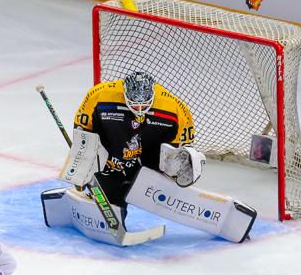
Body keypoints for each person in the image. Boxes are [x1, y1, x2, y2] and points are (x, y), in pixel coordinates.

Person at [66, 71, 201, 227]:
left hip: (151, 162)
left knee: (188, 156)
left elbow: (185, 142)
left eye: (144, 104)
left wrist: (179, 167)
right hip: (111, 163)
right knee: (109, 193)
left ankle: (176, 191)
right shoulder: (99, 95)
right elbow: (82, 131)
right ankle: (110, 202)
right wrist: (82, 166)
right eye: (134, 103)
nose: (139, 108)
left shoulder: (174, 106)